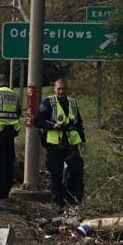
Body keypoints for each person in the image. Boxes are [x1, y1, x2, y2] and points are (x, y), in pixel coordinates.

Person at [34, 77, 85, 208]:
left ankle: (72, 200)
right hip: (54, 144)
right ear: (54, 89)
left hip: (71, 143)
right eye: (59, 89)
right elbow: (38, 121)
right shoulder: (48, 102)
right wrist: (53, 125)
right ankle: (58, 202)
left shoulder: (72, 103)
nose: (61, 91)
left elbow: (79, 123)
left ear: (67, 89)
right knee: (56, 174)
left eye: (63, 89)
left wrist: (83, 140)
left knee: (76, 171)